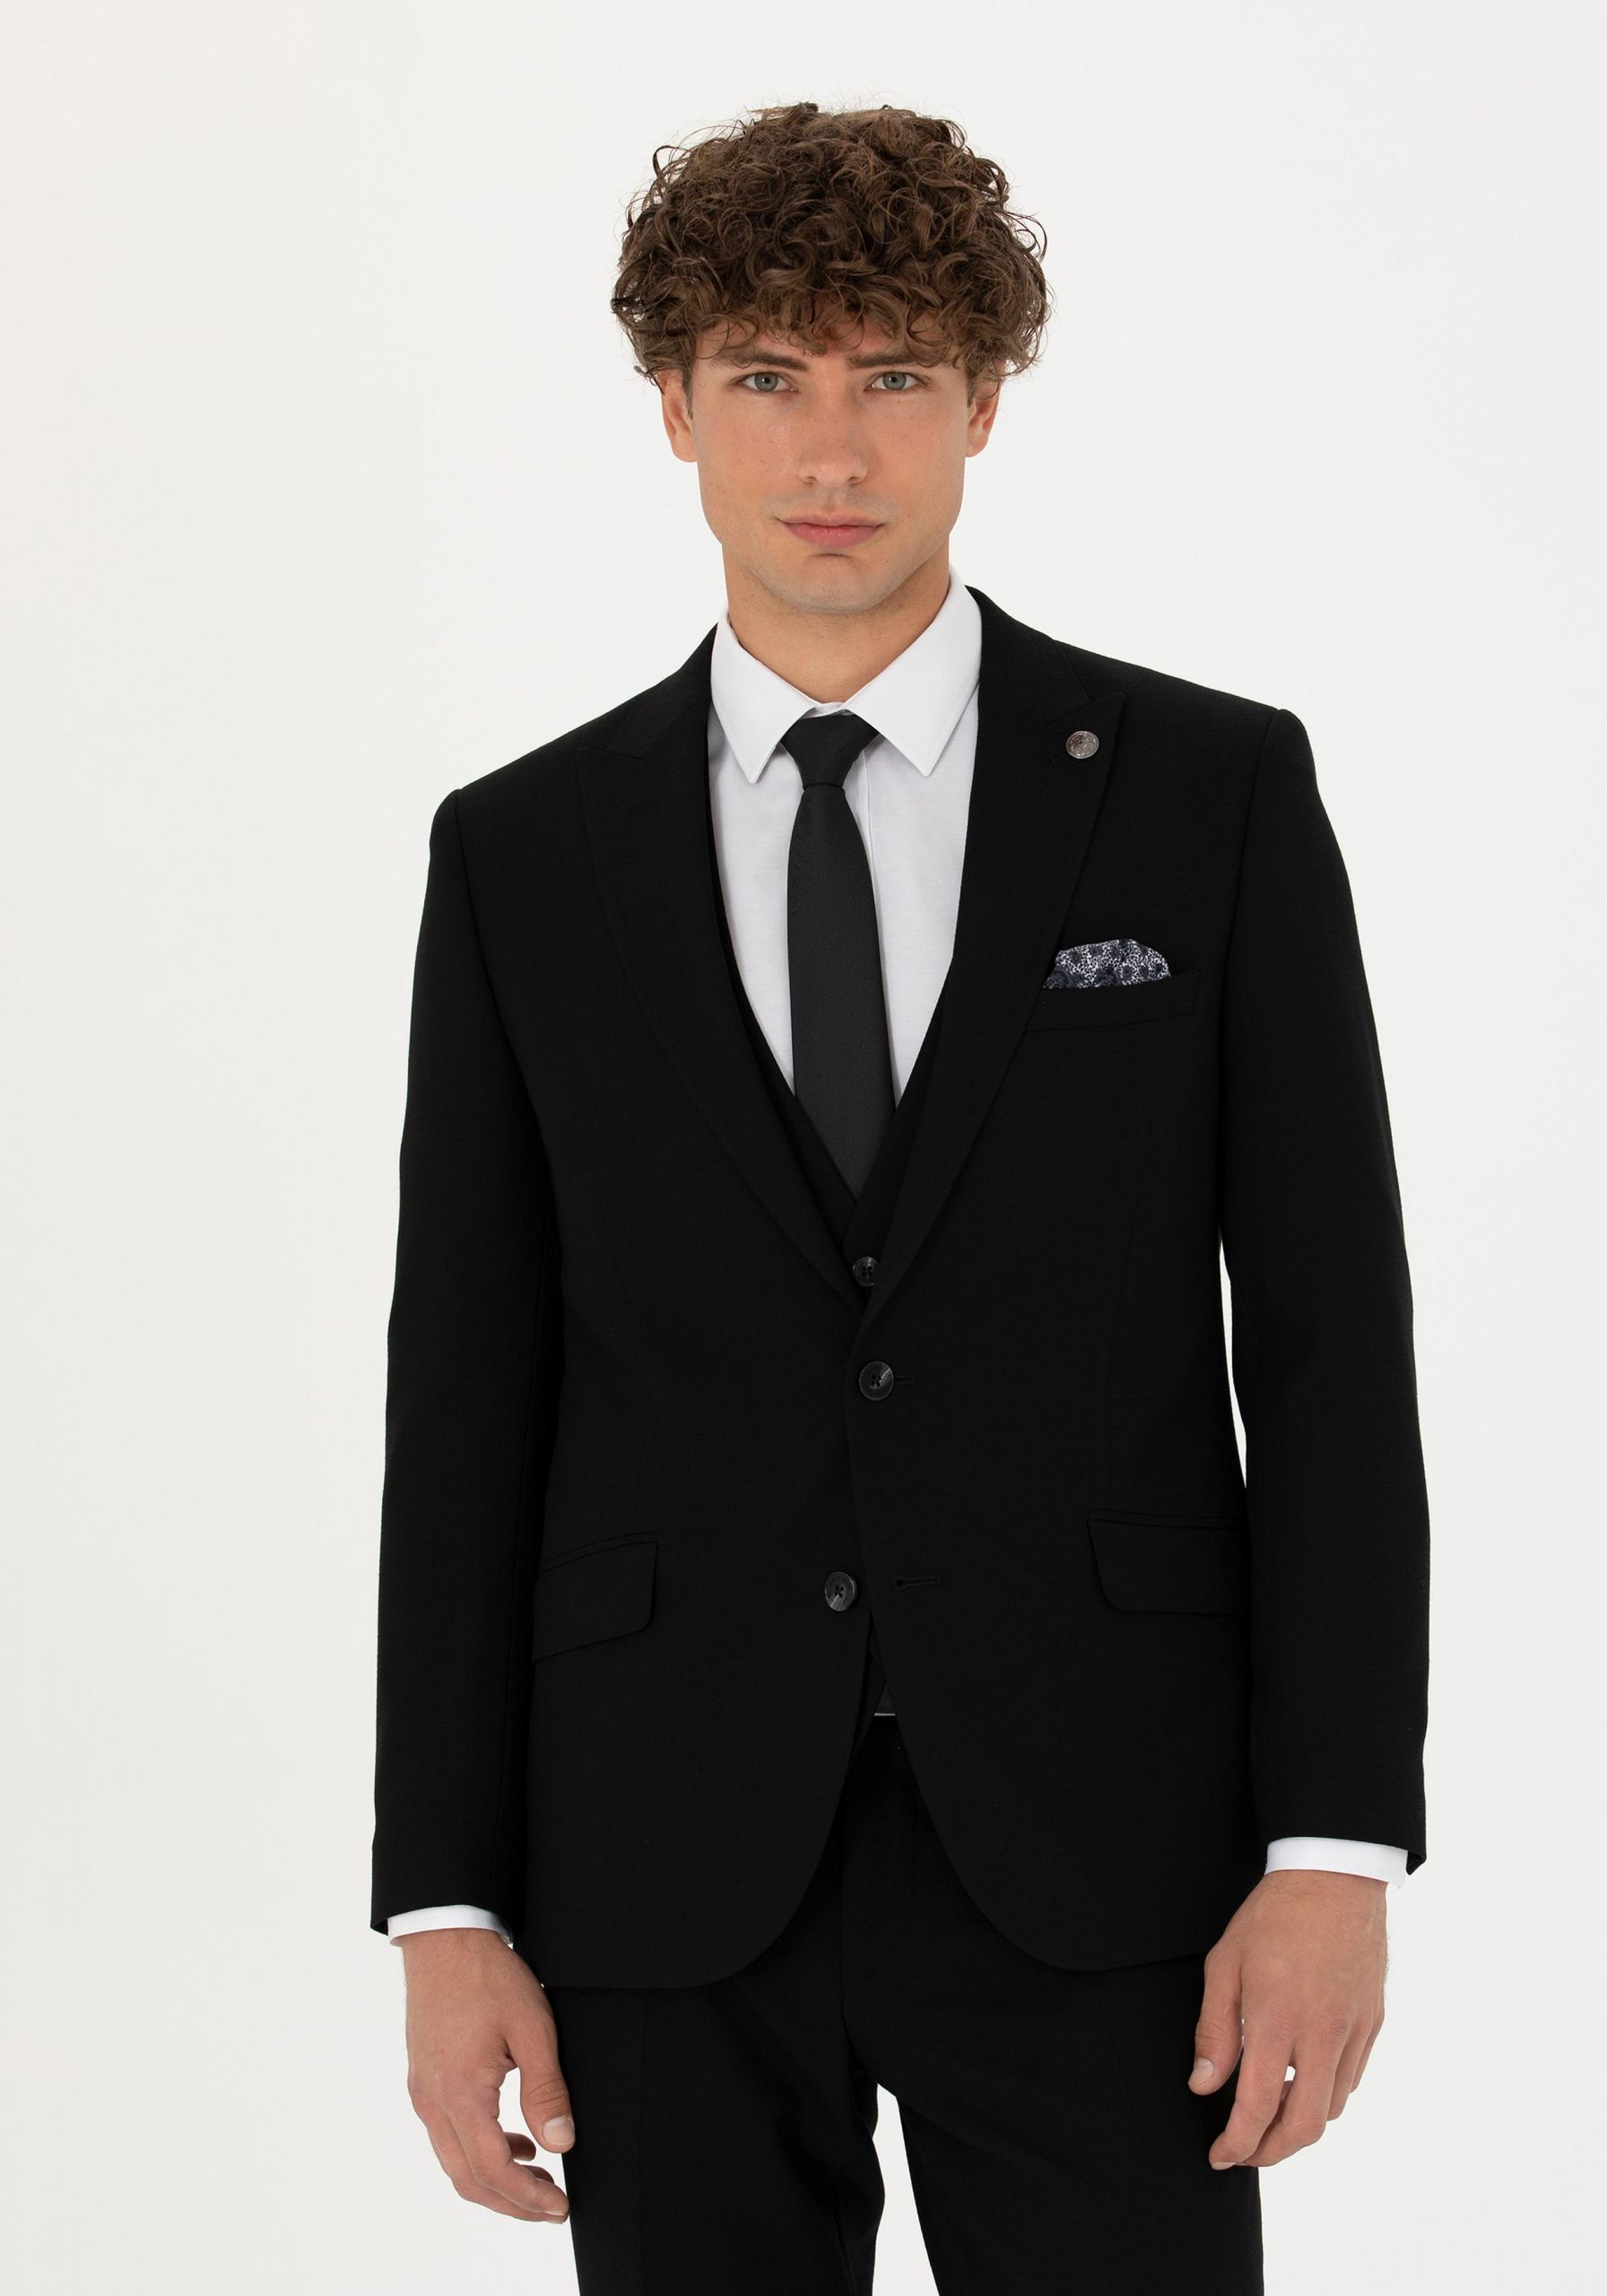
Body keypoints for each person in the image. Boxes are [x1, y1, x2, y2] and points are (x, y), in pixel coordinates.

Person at [370, 98, 1429, 2294]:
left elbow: (1333, 1345)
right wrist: (443, 1898)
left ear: (984, 402)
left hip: (1106, 1844)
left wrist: (1333, 1839)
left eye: (895, 375)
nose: (831, 448)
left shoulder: (1205, 796)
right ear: (673, 405)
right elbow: (464, 1396)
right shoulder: (524, 855)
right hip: (660, 1849)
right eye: (765, 374)